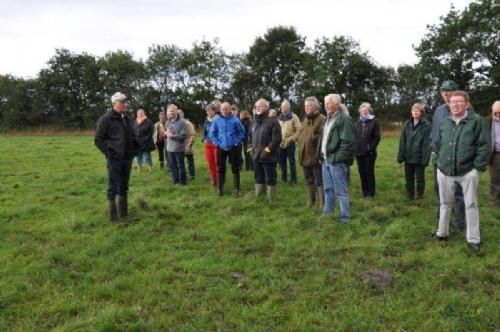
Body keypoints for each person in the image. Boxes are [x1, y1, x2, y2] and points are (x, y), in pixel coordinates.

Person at [433, 91, 490, 252]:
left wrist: (477, 168)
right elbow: (437, 144)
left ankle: (473, 239)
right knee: (444, 203)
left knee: (471, 204)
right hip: (444, 170)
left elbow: (484, 145)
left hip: (467, 172)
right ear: (448, 105)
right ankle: (442, 233)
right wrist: (437, 162)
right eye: (452, 102)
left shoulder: (477, 121)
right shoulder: (445, 122)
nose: (455, 105)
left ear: (467, 103)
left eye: (459, 101)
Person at [94, 92, 137, 222]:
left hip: (127, 158)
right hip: (114, 159)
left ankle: (123, 214)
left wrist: (134, 150)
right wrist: (109, 153)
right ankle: (113, 217)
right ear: (114, 104)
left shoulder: (128, 118)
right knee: (112, 187)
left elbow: (132, 136)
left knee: (124, 186)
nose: (125, 104)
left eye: (125, 102)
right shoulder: (106, 119)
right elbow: (98, 140)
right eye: (122, 102)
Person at [430, 80, 466, 232]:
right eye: (443, 91)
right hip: (440, 158)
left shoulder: (465, 109)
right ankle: (442, 221)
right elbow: (434, 132)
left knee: (458, 193)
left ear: (454, 92)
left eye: (449, 90)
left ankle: (460, 223)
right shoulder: (438, 110)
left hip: (457, 159)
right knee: (440, 191)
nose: (445, 93)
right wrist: (433, 151)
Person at [318, 94, 355, 223]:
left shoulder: (344, 119)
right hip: (326, 160)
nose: (326, 105)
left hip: (336, 161)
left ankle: (345, 217)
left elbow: (348, 143)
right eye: (325, 103)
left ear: (337, 104)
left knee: (341, 191)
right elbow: (324, 139)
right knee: (328, 189)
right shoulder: (328, 119)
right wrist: (321, 155)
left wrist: (337, 158)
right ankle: (328, 213)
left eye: (329, 103)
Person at [248, 98, 282, 203]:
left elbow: (276, 139)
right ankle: (259, 197)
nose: (258, 107)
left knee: (270, 178)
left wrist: (267, 150)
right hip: (255, 155)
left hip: (268, 156)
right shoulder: (253, 122)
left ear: (267, 108)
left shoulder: (273, 121)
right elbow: (249, 136)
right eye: (256, 106)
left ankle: (271, 199)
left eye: (261, 106)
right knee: (258, 177)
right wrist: (250, 148)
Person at [209, 101, 246, 196]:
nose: (225, 111)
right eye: (223, 109)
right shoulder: (216, 120)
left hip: (233, 147)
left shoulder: (235, 120)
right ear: (220, 110)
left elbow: (242, 132)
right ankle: (220, 189)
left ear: (230, 109)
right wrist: (217, 143)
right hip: (221, 147)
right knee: (220, 168)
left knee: (235, 168)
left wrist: (236, 142)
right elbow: (212, 133)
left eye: (226, 109)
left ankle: (237, 189)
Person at [397, 103, 432, 199]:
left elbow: (427, 144)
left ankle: (420, 194)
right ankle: (410, 193)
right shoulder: (407, 124)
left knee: (420, 178)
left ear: (421, 112)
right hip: (408, 156)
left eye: (417, 110)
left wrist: (425, 159)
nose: (415, 112)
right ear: (411, 112)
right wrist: (401, 156)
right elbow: (402, 141)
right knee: (408, 177)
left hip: (419, 157)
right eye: (413, 110)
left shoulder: (427, 125)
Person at [297, 96, 325, 209]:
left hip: (316, 156)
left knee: (319, 180)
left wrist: (313, 137)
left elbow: (323, 137)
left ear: (316, 106)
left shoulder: (322, 119)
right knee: (308, 179)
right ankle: (311, 201)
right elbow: (301, 133)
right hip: (304, 155)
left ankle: (322, 203)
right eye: (305, 106)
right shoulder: (305, 119)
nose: (306, 108)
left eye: (309, 105)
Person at [354, 102, 381, 198]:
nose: (364, 112)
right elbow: (355, 136)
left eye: (366, 110)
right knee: (361, 172)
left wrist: (370, 148)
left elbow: (377, 137)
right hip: (359, 152)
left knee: (369, 172)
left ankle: (371, 192)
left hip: (369, 153)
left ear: (369, 111)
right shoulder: (359, 122)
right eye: (362, 110)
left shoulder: (374, 121)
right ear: (360, 112)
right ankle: (364, 190)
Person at [278, 100, 301, 185]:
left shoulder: (294, 117)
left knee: (291, 162)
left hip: (290, 143)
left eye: (284, 107)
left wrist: (292, 139)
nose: (282, 108)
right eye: (281, 107)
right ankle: (284, 179)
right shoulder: (279, 117)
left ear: (288, 107)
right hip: (281, 143)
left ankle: (293, 180)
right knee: (282, 162)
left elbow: (299, 130)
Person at [165, 104, 188, 185]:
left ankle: (182, 182)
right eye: (170, 111)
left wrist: (173, 136)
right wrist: (166, 133)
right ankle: (175, 180)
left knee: (180, 166)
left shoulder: (182, 122)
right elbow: (168, 132)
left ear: (176, 111)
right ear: (167, 112)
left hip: (179, 148)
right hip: (169, 148)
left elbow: (184, 135)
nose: (171, 113)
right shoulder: (167, 122)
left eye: (173, 111)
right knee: (172, 166)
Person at [485, 101, 500, 205]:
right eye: (496, 113)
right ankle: (495, 200)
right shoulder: (486, 121)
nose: (498, 115)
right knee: (495, 178)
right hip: (494, 153)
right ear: (492, 111)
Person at [134, 108, 155, 172]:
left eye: (141, 113)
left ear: (144, 113)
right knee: (138, 156)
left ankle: (150, 168)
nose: (140, 114)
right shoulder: (135, 121)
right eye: (139, 113)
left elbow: (151, 130)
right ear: (137, 114)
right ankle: (139, 168)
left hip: (146, 141)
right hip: (137, 142)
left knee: (147, 156)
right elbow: (133, 130)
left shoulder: (148, 121)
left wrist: (146, 138)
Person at [202, 103, 219, 187]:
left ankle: (219, 179)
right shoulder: (206, 120)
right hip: (208, 144)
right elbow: (204, 131)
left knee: (217, 163)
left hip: (216, 144)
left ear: (214, 111)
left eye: (210, 111)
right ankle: (213, 180)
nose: (208, 113)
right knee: (210, 163)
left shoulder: (219, 119)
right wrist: (204, 139)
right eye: (207, 111)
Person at [178, 109, 196, 180]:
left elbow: (193, 135)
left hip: (187, 146)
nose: (179, 115)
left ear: (182, 114)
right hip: (179, 147)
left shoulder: (188, 123)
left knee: (190, 162)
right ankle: (183, 176)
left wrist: (189, 145)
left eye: (180, 114)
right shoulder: (176, 123)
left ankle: (192, 176)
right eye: (177, 114)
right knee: (180, 163)